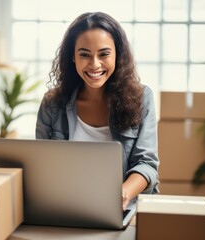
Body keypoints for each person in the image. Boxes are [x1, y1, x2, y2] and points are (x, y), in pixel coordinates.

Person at [36, 12, 159, 210]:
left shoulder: (142, 98)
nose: (94, 64)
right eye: (84, 54)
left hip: (124, 210)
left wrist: (123, 193)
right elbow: (41, 165)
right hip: (65, 207)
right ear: (73, 57)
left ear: (118, 55)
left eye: (104, 54)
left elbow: (147, 165)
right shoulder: (52, 103)